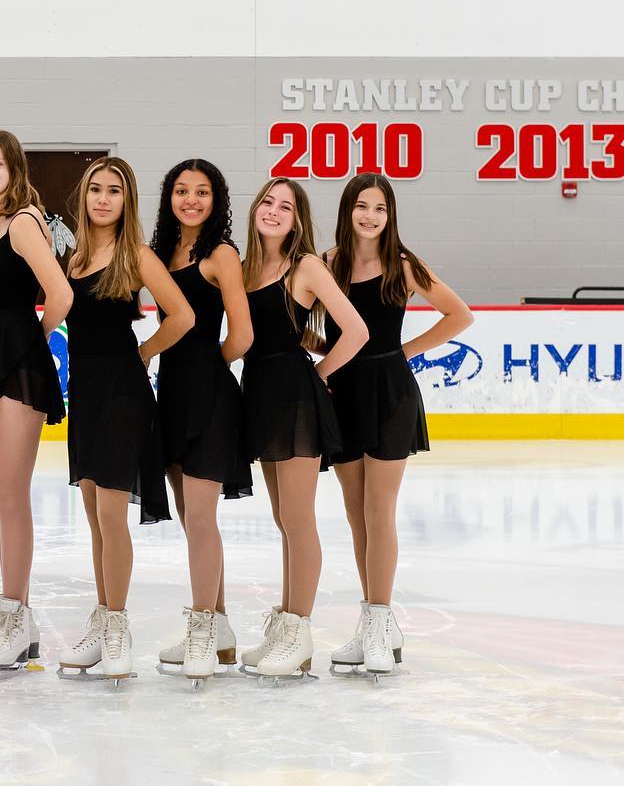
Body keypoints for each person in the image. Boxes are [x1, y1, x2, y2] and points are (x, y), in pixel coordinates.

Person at [324, 173, 472, 676]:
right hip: (342, 392)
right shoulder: (327, 264)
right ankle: (372, 622)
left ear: (390, 217)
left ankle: (381, 622)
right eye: (361, 206)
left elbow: (459, 316)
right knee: (355, 513)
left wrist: (403, 352)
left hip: (389, 393)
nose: (370, 216)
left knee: (378, 508)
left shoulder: (403, 266)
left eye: (380, 209)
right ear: (347, 211)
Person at [56, 157, 192, 682]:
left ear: (126, 199)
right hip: (85, 395)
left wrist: (144, 353)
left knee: (111, 515)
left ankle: (117, 626)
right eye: (96, 189)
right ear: (84, 196)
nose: (104, 198)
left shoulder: (136, 255)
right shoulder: (71, 259)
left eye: (115, 190)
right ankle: (103, 613)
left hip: (122, 393)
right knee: (94, 515)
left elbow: (182, 315)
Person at [238, 177, 367, 679]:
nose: (273, 210)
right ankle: (286, 625)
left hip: (294, 398)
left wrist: (317, 375)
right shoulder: (246, 268)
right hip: (260, 395)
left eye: (285, 206)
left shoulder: (305, 266)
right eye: (266, 200)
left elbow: (355, 331)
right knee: (282, 519)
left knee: (299, 518)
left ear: (297, 219)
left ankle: (300, 631)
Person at [0, 130, 73, 674]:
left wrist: (28, 340)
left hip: (17, 363)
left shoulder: (25, 221)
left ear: (14, 168)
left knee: (13, 493)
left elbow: (62, 294)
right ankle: (17, 617)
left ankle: (12, 611)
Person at [149, 160, 254, 680]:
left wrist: (212, 370)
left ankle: (203, 626)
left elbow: (243, 333)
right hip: (171, 394)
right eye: (182, 191)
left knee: (201, 517)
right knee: (189, 513)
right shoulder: (159, 254)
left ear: (217, 201)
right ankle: (222, 627)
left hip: (209, 395)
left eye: (203, 192)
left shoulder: (221, 254)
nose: (191, 200)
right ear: (169, 197)